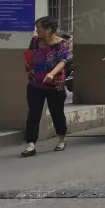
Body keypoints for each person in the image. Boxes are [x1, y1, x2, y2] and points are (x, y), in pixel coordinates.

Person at [22, 16, 70, 156]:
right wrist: (28, 65)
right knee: (33, 114)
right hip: (35, 83)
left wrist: (52, 74)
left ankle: (62, 138)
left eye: (39, 28)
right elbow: (30, 54)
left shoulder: (61, 44)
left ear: (49, 29)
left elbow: (63, 61)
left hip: (55, 85)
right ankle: (31, 144)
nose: (37, 31)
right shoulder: (35, 40)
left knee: (57, 113)